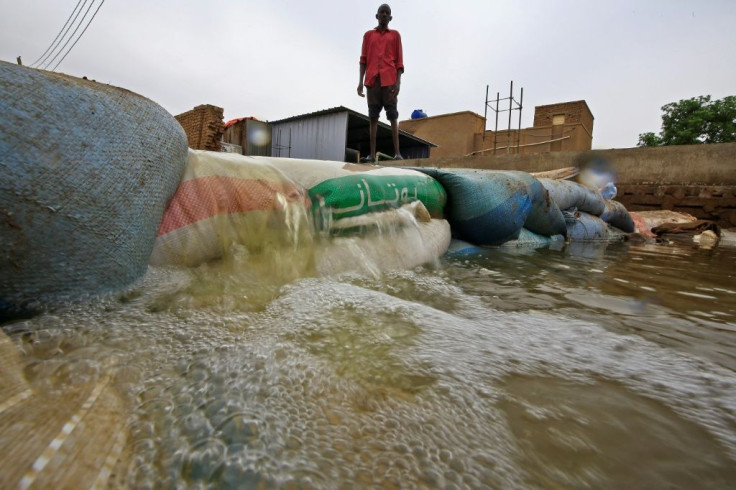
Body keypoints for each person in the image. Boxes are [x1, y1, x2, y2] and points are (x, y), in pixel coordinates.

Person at [357, 4, 404, 162]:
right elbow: (363, 60)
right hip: (372, 80)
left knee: (392, 115)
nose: (384, 15)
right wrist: (359, 82)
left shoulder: (395, 35)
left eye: (387, 13)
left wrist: (398, 83)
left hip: (389, 80)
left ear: (390, 17)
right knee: (373, 117)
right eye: (381, 13)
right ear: (376, 16)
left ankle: (397, 153)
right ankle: (371, 154)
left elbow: (399, 62)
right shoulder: (368, 35)